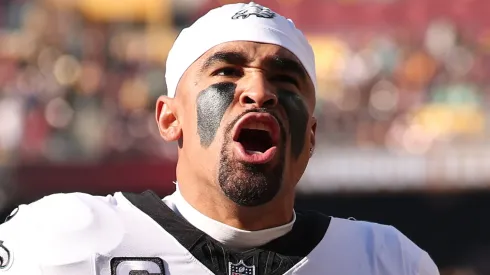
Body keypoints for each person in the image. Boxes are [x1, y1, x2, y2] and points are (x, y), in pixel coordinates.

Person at [0, 2, 439, 274]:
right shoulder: (62, 238)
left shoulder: (390, 261)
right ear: (170, 119)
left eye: (285, 79)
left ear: (310, 134)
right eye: (227, 72)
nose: (260, 91)